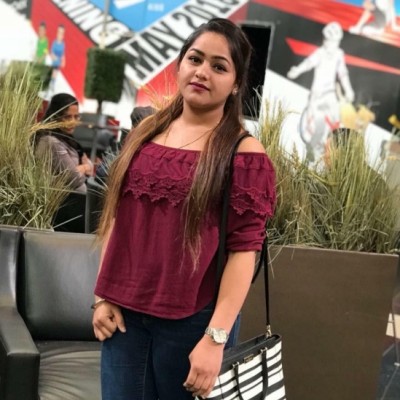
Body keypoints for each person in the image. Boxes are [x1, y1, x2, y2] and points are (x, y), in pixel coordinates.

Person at [92, 18, 276, 400]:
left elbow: (244, 252)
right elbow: (116, 219)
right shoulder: (144, 134)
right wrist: (102, 296)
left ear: (236, 83)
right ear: (179, 65)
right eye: (195, 59)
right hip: (123, 322)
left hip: (194, 325)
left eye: (219, 66)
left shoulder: (243, 154)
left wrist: (215, 339)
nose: (202, 72)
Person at [287, 21, 355, 161]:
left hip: (330, 93)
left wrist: (348, 90)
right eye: (328, 40)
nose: (329, 44)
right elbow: (308, 63)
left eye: (333, 42)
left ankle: (335, 153)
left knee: (337, 120)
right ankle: (312, 150)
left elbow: (342, 73)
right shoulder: (320, 53)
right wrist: (297, 70)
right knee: (318, 125)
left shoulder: (339, 54)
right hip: (317, 95)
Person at [35, 93, 93, 192]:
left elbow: (89, 166)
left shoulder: (67, 138)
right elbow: (74, 178)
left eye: (76, 116)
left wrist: (82, 168)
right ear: (55, 116)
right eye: (67, 117)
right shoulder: (51, 142)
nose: (73, 121)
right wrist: (85, 167)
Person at [49, 25, 66, 92]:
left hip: (58, 63)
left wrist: (63, 61)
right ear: (56, 33)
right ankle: (50, 83)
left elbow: (62, 54)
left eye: (62, 33)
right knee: (53, 73)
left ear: (63, 35)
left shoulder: (63, 44)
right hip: (54, 62)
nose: (60, 35)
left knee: (55, 74)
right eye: (59, 32)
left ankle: (52, 84)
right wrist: (53, 57)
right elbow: (51, 52)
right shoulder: (54, 43)